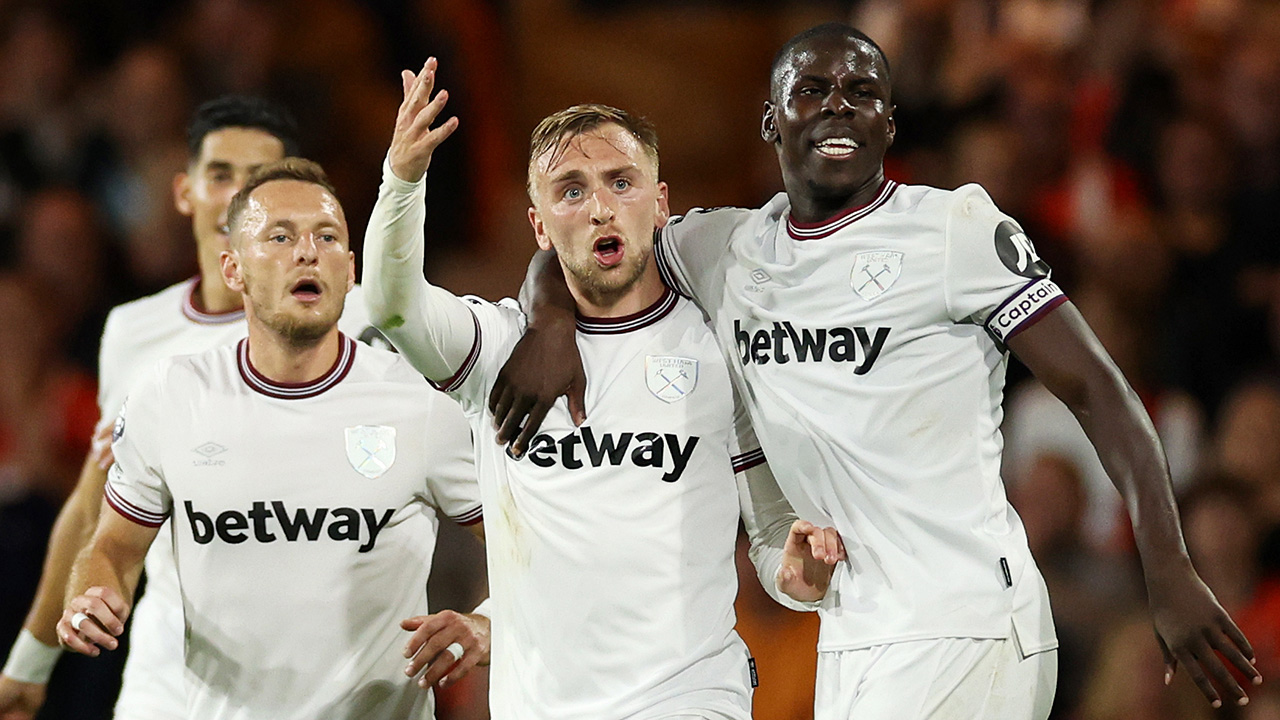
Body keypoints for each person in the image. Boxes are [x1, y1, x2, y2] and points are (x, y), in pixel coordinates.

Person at [490, 22, 1262, 719]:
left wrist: (1168, 569)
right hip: (853, 631)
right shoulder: (720, 249)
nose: (838, 107)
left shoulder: (953, 230)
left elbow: (1098, 389)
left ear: (889, 123)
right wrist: (550, 319)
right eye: (812, 90)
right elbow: (585, 250)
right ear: (771, 121)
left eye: (863, 93)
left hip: (965, 621)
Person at [362, 59, 844, 719]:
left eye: (621, 182)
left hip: (692, 697)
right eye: (571, 190)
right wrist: (403, 178)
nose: (600, 207)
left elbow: (769, 535)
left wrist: (798, 573)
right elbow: (391, 307)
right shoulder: (496, 348)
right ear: (538, 226)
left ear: (662, 203)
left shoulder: (723, 350)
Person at [0, 96, 397, 720]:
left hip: (325, 687)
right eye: (220, 175)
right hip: (168, 682)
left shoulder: (355, 313)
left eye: (258, 179)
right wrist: (31, 661)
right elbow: (97, 501)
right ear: (186, 192)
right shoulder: (133, 332)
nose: (236, 196)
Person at [57, 158, 487, 719]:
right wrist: (93, 593)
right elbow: (114, 545)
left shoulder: (421, 404)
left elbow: (525, 543)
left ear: (351, 269)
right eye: (279, 236)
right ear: (232, 268)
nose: (307, 251)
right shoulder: (171, 395)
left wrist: (484, 624)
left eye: (327, 237)